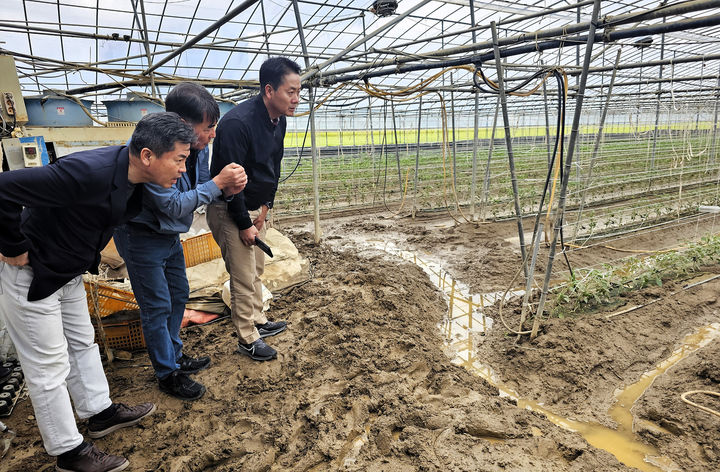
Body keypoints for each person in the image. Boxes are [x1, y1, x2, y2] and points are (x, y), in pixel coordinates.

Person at [0, 112, 195, 472]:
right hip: (33, 272)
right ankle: (69, 453)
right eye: (180, 159)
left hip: (69, 270)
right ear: (149, 155)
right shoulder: (86, 172)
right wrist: (12, 244)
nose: (184, 168)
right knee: (48, 366)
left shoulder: (135, 179)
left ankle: (99, 412)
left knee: (82, 342)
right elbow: (4, 188)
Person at [113, 83, 246, 400]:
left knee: (178, 292)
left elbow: (199, 185)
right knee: (156, 304)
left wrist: (222, 188)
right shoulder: (152, 152)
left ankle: (174, 354)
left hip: (168, 232)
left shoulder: (196, 148)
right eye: (208, 127)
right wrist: (217, 184)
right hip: (141, 234)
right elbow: (171, 204)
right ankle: (167, 373)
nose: (212, 134)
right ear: (184, 124)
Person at [207, 57, 300, 361]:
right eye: (291, 92)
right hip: (230, 209)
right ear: (269, 90)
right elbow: (228, 181)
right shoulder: (238, 124)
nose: (296, 99)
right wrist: (244, 223)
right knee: (243, 275)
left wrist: (265, 208)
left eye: (299, 92)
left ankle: (259, 319)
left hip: (255, 208)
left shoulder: (278, 120)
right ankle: (247, 338)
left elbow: (273, 165)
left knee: (256, 267)